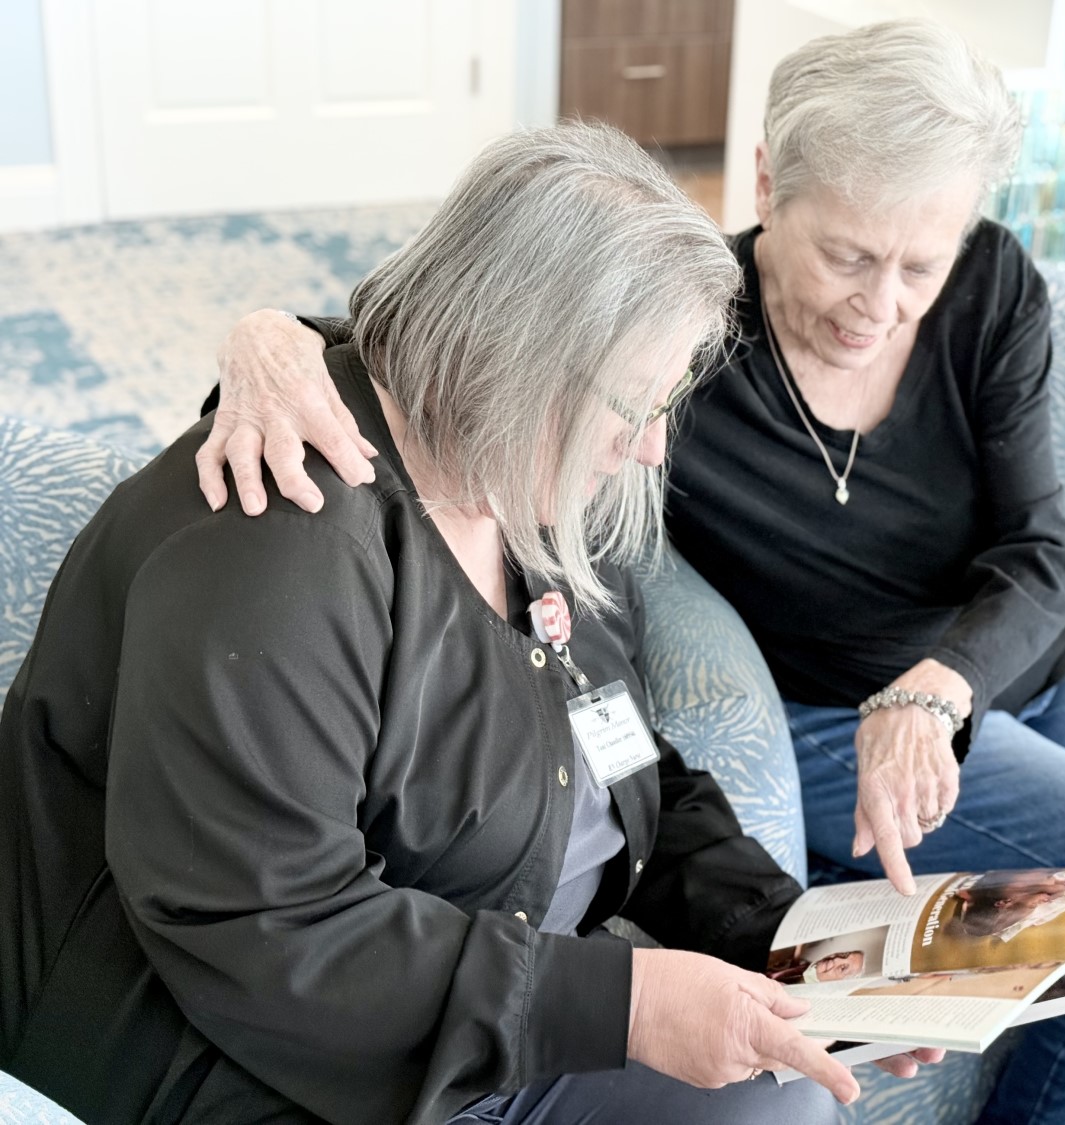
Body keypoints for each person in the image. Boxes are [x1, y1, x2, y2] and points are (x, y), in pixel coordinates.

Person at [197, 21, 1065, 1125]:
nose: (883, 307)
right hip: (833, 706)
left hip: (1007, 651)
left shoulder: (988, 287)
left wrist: (941, 688)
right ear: (768, 184)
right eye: (847, 256)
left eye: (919, 267)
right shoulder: (681, 332)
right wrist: (269, 337)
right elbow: (448, 342)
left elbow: (1043, 553)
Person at [0, 122, 957, 1125]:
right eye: (633, 401)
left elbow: (623, 765)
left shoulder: (527, 492)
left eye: (669, 395)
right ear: (511, 350)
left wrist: (802, 940)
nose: (649, 446)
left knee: (785, 1093)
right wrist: (622, 1003)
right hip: (237, 1053)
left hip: (485, 999)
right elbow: (262, 926)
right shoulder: (280, 548)